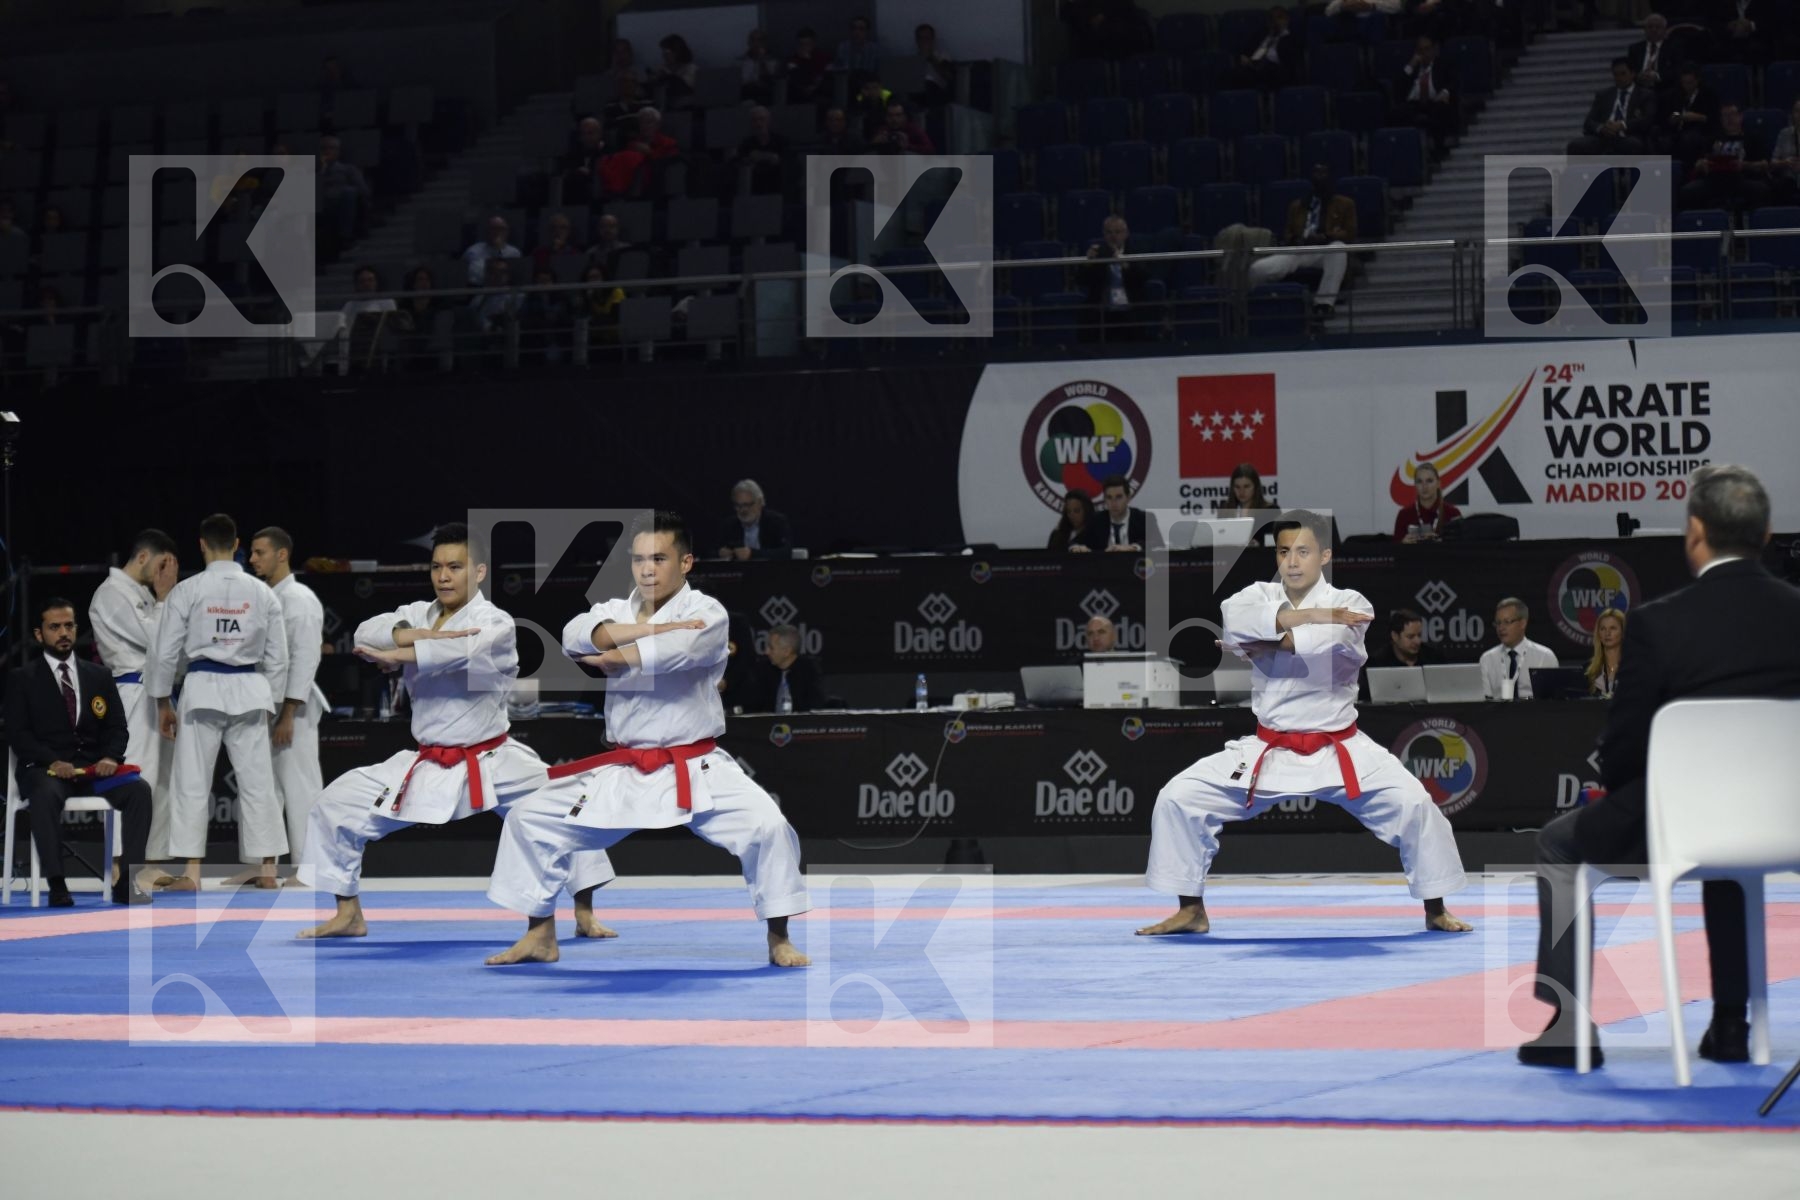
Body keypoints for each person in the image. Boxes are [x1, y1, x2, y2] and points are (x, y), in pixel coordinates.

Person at [1520, 464, 1800, 1069]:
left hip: (1689, 823)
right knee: (1732, 845)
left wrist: (1633, 797)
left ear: (1695, 532)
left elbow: (1623, 751)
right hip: (1790, 823)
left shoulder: (1659, 624)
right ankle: (1732, 1024)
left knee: (1557, 845)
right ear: (1768, 532)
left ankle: (1568, 1025)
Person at [484, 511, 811, 968]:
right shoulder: (613, 608)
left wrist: (620, 647)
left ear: (687, 562)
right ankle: (540, 933)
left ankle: (779, 938)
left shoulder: (707, 613)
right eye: (639, 559)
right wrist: (648, 631)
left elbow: (649, 654)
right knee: (529, 817)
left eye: (659, 557)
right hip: (625, 766)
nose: (647, 568)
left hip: (695, 764)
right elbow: (577, 636)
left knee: (769, 828)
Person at [1138, 510, 1471, 937]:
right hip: (1269, 748)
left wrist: (1270, 637)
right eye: (1283, 552)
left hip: (1339, 746)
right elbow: (1236, 621)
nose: (1292, 561)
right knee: (1178, 797)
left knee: (1417, 807)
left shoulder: (1352, 604)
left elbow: (1294, 642)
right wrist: (1310, 618)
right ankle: (1190, 909)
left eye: (1303, 551)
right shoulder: (1254, 595)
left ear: (1324, 555)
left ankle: (1436, 909)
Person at [297, 524, 618, 939]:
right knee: (334, 803)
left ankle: (584, 914)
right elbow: (365, 631)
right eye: (436, 567)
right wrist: (414, 636)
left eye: (455, 567)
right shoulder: (418, 613)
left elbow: (451, 653)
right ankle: (348, 913)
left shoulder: (495, 622)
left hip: (493, 759)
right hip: (428, 759)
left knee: (570, 808)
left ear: (479, 572)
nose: (443, 576)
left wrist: (399, 652)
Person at [147, 513, 290, 891]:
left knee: (192, 783)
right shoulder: (263, 593)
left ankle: (192, 874)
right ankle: (269, 871)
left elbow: (164, 653)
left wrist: (163, 700)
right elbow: (279, 657)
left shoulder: (188, 590)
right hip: (249, 688)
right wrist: (272, 701)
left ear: (201, 544)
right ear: (237, 544)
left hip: (202, 689)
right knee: (259, 783)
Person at [5, 598, 154, 906]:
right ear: (38, 634)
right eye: (55, 627)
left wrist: (111, 757)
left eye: (69, 626)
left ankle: (127, 881)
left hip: (91, 770)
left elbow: (117, 728)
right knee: (44, 794)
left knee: (139, 791)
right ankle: (57, 884)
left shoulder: (98, 675)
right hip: (46, 769)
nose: (64, 633)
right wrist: (51, 760)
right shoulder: (22, 679)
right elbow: (17, 734)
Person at [89, 529, 179, 867]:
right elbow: (156, 638)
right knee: (134, 779)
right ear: (142, 557)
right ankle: (119, 867)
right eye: (161, 565)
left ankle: (150, 864)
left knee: (163, 782)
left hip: (158, 693)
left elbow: (173, 645)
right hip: (132, 694)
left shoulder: (140, 594)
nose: (163, 575)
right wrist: (164, 596)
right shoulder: (111, 593)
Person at [248, 526, 329, 866]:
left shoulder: (300, 599)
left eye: (259, 553)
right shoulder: (267, 597)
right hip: (268, 705)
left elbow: (306, 658)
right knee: (266, 789)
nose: (252, 560)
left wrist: (288, 713)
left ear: (282, 555)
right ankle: (267, 866)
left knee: (300, 787)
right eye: (251, 553)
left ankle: (310, 866)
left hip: (293, 709)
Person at [1249, 163, 1357, 319]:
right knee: (1257, 269)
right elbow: (1288, 233)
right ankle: (1257, 306)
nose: (1319, 177)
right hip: (1299, 250)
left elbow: (1350, 233)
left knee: (1338, 248)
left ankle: (1324, 304)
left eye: (1323, 173)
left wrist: (1327, 236)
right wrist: (1297, 239)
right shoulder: (1298, 205)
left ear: (1330, 177)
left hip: (1325, 250)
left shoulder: (1345, 204)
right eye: (1316, 173)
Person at [1678, 103, 1772, 213]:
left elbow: (1765, 164)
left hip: (1742, 179)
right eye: (1725, 116)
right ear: (1721, 120)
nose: (1729, 119)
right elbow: (1698, 162)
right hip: (1714, 180)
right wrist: (1702, 164)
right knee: (1687, 192)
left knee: (1762, 190)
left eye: (1732, 115)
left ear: (1740, 117)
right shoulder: (1712, 139)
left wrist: (1745, 165)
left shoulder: (1752, 138)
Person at [1082, 215, 1152, 340]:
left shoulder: (1135, 252)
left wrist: (1125, 264)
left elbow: (1143, 277)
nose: (1113, 236)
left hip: (1129, 308)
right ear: (1104, 234)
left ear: (1126, 233)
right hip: (1104, 309)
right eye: (1109, 232)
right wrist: (1088, 263)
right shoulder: (1097, 253)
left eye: (1117, 232)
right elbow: (1081, 280)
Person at [1568, 60, 1655, 156]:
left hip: (1628, 135)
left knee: (1632, 145)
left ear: (1632, 74)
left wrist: (1622, 125)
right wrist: (1602, 128)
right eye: (1616, 74)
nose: (1619, 78)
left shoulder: (1644, 95)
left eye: (1623, 74)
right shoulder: (1604, 95)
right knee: (1576, 145)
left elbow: (1646, 120)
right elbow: (1589, 122)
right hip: (1603, 137)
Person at [1479, 597, 1558, 700]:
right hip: (1498, 715)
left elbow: (1553, 701)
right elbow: (1485, 699)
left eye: (1507, 622)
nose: (1501, 628)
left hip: (1534, 714)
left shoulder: (1545, 656)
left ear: (1522, 623)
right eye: (1498, 623)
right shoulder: (1487, 659)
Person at [1391, 35, 1456, 155]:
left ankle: (1439, 150)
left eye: (1427, 49)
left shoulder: (1443, 65)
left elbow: (1453, 82)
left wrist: (1445, 92)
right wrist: (1411, 65)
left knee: (1441, 109)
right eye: (1420, 50)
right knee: (1398, 111)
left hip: (1434, 102)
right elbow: (1398, 86)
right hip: (1413, 104)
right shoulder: (1412, 68)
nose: (1424, 53)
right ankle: (1404, 151)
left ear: (1434, 49)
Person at [747, 624, 824, 714]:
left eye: (771, 648)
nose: (766, 652)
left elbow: (814, 706)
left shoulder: (809, 670)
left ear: (787, 651)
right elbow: (754, 706)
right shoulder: (762, 670)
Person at [717, 479, 793, 560]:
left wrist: (752, 554)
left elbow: (786, 552)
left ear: (760, 502)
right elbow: (711, 550)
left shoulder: (776, 521)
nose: (743, 510)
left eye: (747, 505)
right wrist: (720, 552)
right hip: (738, 571)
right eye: (738, 506)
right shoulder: (729, 525)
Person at [1663, 66, 1717, 169]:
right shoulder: (1675, 94)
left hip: (1699, 131)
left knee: (1689, 139)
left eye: (1690, 82)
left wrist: (1697, 117)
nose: (1687, 86)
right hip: (1676, 131)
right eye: (1684, 82)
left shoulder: (1708, 95)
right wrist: (1678, 117)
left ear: (1697, 81)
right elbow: (1672, 114)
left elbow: (1713, 118)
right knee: (1664, 140)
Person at [1230, 6, 1296, 90]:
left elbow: (1289, 61)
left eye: (1280, 18)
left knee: (1270, 71)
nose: (1276, 21)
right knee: (1231, 75)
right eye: (1272, 19)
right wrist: (1244, 58)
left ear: (1287, 20)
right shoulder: (1261, 34)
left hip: (1276, 71)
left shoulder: (1291, 38)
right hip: (1255, 68)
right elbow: (1246, 51)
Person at [1393, 461, 1461, 542]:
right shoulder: (1404, 515)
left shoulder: (1453, 513)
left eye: (1429, 481)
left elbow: (1460, 549)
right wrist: (1403, 544)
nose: (1424, 486)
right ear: (1415, 485)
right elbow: (1395, 551)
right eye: (1419, 481)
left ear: (1438, 484)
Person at [733, 106, 791, 194]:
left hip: (777, 183)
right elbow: (740, 161)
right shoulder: (746, 143)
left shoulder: (781, 141)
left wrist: (760, 156)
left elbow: (785, 161)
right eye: (755, 120)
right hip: (754, 185)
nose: (758, 123)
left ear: (768, 121)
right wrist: (769, 157)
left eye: (762, 119)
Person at [1099, 474, 1162, 552]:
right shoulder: (1096, 520)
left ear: (1128, 498)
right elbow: (1083, 543)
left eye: (1119, 497)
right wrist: (1080, 547)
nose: (1114, 503)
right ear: (1104, 499)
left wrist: (1134, 547)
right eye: (1109, 497)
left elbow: (1158, 544)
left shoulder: (1145, 518)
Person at [1624, 13, 1681, 95]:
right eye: (1650, 27)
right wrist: (1638, 76)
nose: (1653, 30)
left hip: (1664, 88)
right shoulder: (1635, 49)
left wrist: (1657, 76)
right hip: (1639, 89)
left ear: (1665, 30)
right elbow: (1630, 69)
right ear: (1644, 30)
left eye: (1658, 27)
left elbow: (1677, 70)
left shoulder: (1673, 48)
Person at [463, 216, 521, 287]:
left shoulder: (514, 252)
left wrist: (499, 249)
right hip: (478, 289)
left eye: (501, 229)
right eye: (493, 228)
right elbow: (467, 274)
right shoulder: (473, 250)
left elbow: (515, 278)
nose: (497, 232)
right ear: (487, 231)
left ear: (507, 231)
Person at [1584, 607, 1625, 699]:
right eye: (1603, 629)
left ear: (1623, 632)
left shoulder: (1633, 667)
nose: (1607, 633)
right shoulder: (1587, 669)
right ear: (1598, 633)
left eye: (1613, 628)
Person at [868, 101, 935, 155]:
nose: (894, 119)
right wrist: (874, 143)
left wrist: (908, 146)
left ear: (905, 116)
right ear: (886, 117)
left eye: (898, 115)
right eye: (890, 115)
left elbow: (930, 149)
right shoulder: (883, 130)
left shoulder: (913, 129)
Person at [785, 28, 832, 104]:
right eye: (801, 44)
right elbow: (792, 77)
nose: (803, 47)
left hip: (818, 92)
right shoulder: (792, 59)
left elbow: (824, 76)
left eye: (806, 44)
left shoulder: (823, 58)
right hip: (798, 93)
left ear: (813, 44)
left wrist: (808, 60)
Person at [832, 15, 881, 85]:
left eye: (861, 29)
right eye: (854, 28)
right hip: (848, 84)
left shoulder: (874, 49)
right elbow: (840, 70)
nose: (857, 32)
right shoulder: (843, 47)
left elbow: (876, 71)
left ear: (867, 31)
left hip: (868, 84)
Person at [1772, 99, 1800, 205]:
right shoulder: (1784, 134)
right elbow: (1773, 162)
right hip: (1788, 179)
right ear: (1792, 114)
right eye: (1797, 111)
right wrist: (1785, 163)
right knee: (1781, 186)